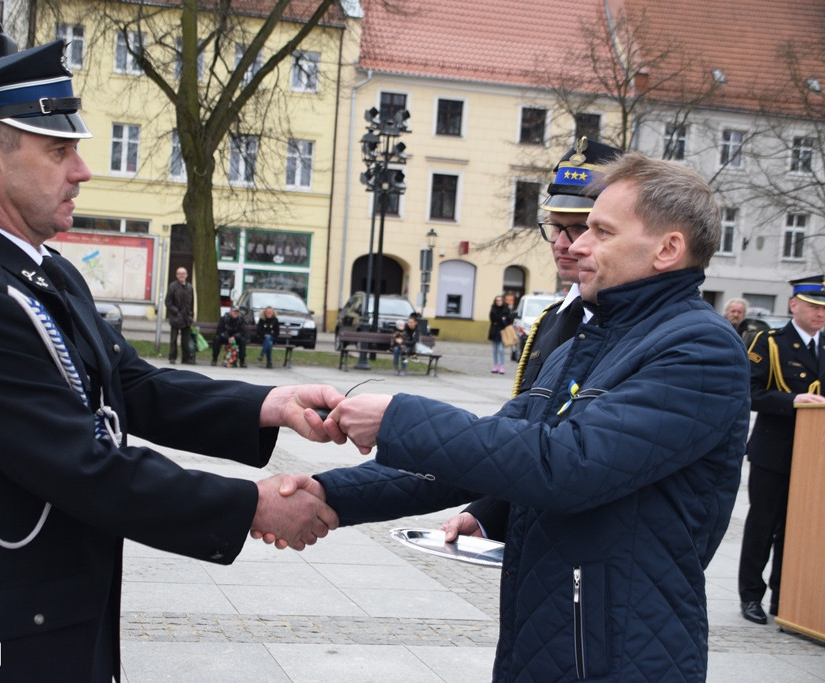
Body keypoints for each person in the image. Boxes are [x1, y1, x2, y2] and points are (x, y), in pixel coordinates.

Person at [0, 41, 342, 682]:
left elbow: (130, 383)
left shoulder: (44, 272)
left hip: (43, 618)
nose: (83, 171)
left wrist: (268, 406)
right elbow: (83, 467)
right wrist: (250, 506)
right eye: (59, 151)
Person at [266, 152, 752, 680]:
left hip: (621, 648)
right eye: (579, 228)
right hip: (550, 631)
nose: (578, 245)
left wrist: (399, 418)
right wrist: (328, 494)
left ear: (668, 248)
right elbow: (489, 452)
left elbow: (568, 466)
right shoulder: (586, 343)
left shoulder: (699, 349)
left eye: (601, 231)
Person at [443, 137, 623, 542]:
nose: (563, 243)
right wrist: (487, 513)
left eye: (580, 227)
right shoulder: (552, 319)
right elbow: (525, 437)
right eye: (556, 227)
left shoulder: (641, 327)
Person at [737, 276, 825, 624]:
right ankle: (751, 596)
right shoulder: (770, 342)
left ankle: (785, 598)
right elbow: (750, 392)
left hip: (813, 457)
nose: (820, 315)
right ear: (794, 305)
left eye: (824, 309)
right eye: (814, 307)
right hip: (775, 451)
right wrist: (793, 401)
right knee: (763, 525)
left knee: (798, 528)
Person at [165, 267, 195, 364]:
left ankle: (186, 358)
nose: (181, 275)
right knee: (174, 339)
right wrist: (176, 312)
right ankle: (172, 357)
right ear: (177, 275)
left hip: (186, 318)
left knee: (185, 340)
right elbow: (168, 302)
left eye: (183, 273)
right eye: (179, 274)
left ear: (186, 275)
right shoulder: (172, 286)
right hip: (176, 317)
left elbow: (192, 303)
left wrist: (191, 315)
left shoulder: (190, 287)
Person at [487, 295, 511, 374]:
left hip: (502, 332)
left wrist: (500, 320)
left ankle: (502, 366)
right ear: (495, 301)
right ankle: (495, 366)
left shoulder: (506, 309)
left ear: (502, 301)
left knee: (501, 350)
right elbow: (492, 319)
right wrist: (501, 319)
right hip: (494, 331)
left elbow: (508, 319)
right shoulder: (493, 309)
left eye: (500, 300)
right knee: (495, 350)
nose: (499, 302)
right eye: (497, 300)